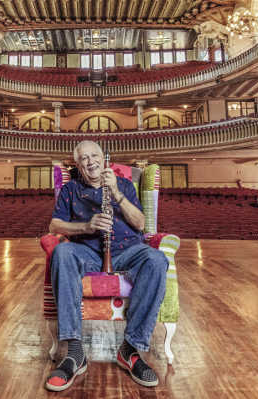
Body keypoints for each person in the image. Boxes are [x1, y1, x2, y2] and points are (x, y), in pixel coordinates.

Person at [45, 140, 168, 392]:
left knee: (157, 260)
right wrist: (87, 227)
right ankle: (75, 352)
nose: (90, 162)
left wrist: (117, 194)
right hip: (87, 251)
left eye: (94, 156)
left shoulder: (123, 185)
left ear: (104, 159)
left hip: (128, 250)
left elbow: (140, 223)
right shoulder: (71, 190)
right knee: (62, 252)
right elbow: (55, 226)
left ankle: (131, 349)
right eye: (84, 159)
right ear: (78, 165)